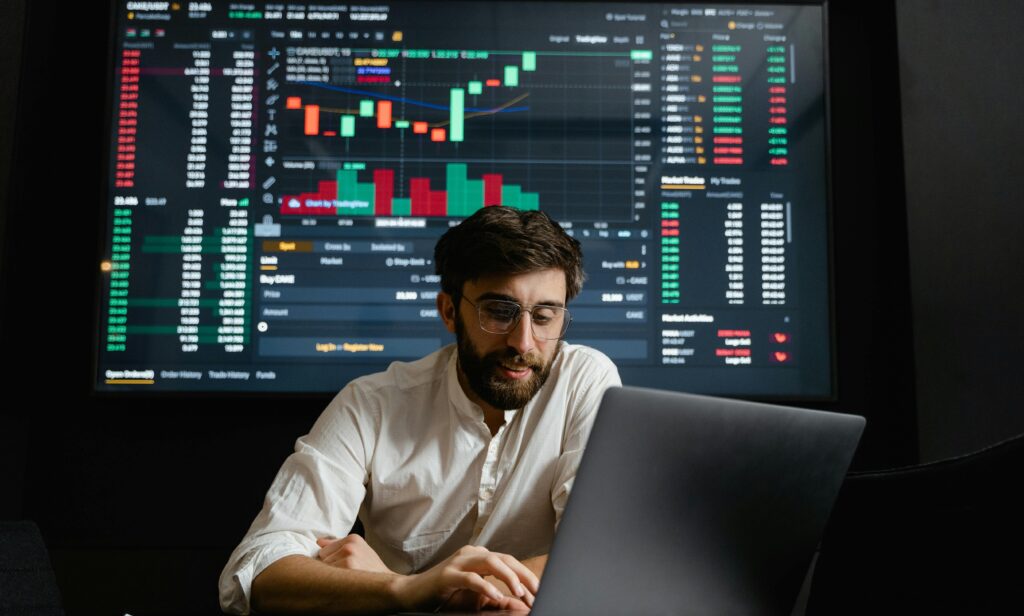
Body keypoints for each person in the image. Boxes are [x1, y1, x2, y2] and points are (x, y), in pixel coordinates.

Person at [218, 206, 621, 614]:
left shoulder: (584, 380)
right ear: (449, 311)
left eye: (545, 316)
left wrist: (423, 593)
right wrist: (404, 590)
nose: (524, 342)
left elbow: (602, 553)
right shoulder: (369, 404)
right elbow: (259, 569)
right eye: (499, 312)